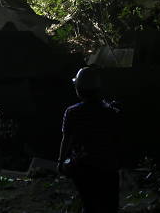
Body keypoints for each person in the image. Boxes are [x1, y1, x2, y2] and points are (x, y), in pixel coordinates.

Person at [58, 67, 122, 213]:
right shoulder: (111, 112)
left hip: (84, 167)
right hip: (108, 166)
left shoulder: (72, 112)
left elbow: (66, 139)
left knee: (89, 204)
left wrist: (61, 162)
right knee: (110, 205)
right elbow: (117, 139)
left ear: (78, 89)